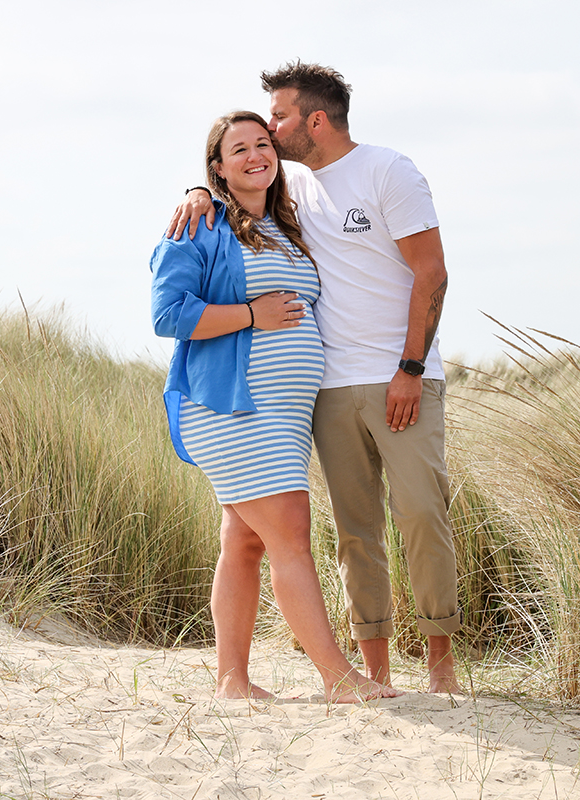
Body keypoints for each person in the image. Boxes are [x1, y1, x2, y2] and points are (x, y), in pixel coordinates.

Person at [168, 62, 462, 694]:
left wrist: (410, 367)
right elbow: (176, 300)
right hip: (280, 399)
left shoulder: (355, 183)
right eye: (250, 140)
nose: (266, 139)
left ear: (315, 120)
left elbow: (431, 272)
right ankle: (354, 672)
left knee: (410, 516)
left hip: (374, 385)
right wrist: (196, 194)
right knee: (334, 535)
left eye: (275, 121)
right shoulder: (247, 204)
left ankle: (434, 666)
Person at [151, 110, 400, 703]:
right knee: (291, 534)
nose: (256, 155)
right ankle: (338, 679)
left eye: (263, 143)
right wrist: (252, 315)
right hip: (231, 408)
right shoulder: (201, 226)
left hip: (283, 418)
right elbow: (168, 314)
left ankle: (232, 681)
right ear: (217, 166)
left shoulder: (287, 227)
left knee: (244, 539)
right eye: (239, 149)